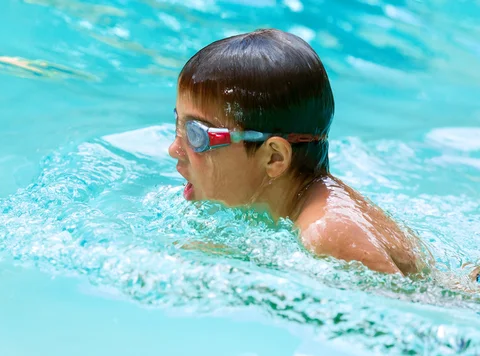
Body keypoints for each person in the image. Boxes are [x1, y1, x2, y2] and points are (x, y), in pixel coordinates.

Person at [168, 28, 426, 275]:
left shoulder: (328, 232)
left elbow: (413, 313)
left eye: (196, 134)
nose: (174, 149)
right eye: (178, 124)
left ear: (274, 157)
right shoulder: (305, 211)